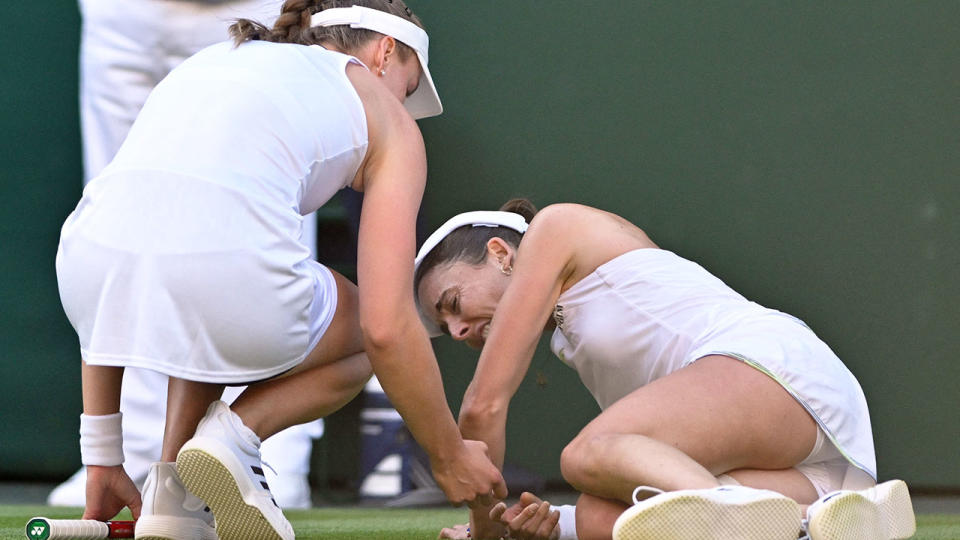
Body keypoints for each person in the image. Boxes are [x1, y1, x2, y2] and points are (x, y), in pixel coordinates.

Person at [55, 2, 506, 539]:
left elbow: (115, 291)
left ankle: (173, 493)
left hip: (84, 272)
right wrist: (448, 454)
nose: (403, 109)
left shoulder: (211, 62)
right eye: (407, 91)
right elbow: (386, 329)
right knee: (366, 325)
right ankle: (236, 439)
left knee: (200, 296)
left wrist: (103, 456)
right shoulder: (391, 127)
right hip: (225, 288)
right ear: (385, 53)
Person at [415, 200, 916, 540]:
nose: (457, 331)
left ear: (501, 254)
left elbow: (483, 407)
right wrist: (552, 525)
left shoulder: (556, 227)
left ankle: (727, 510)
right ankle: (822, 518)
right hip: (805, 458)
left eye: (454, 303)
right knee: (598, 515)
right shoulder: (574, 329)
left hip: (774, 369)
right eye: (446, 324)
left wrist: (486, 528)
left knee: (587, 455)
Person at [48, 0, 325, 511]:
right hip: (126, 15)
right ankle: (129, 453)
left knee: (272, 207)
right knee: (119, 215)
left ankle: (265, 452)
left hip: (256, 7)